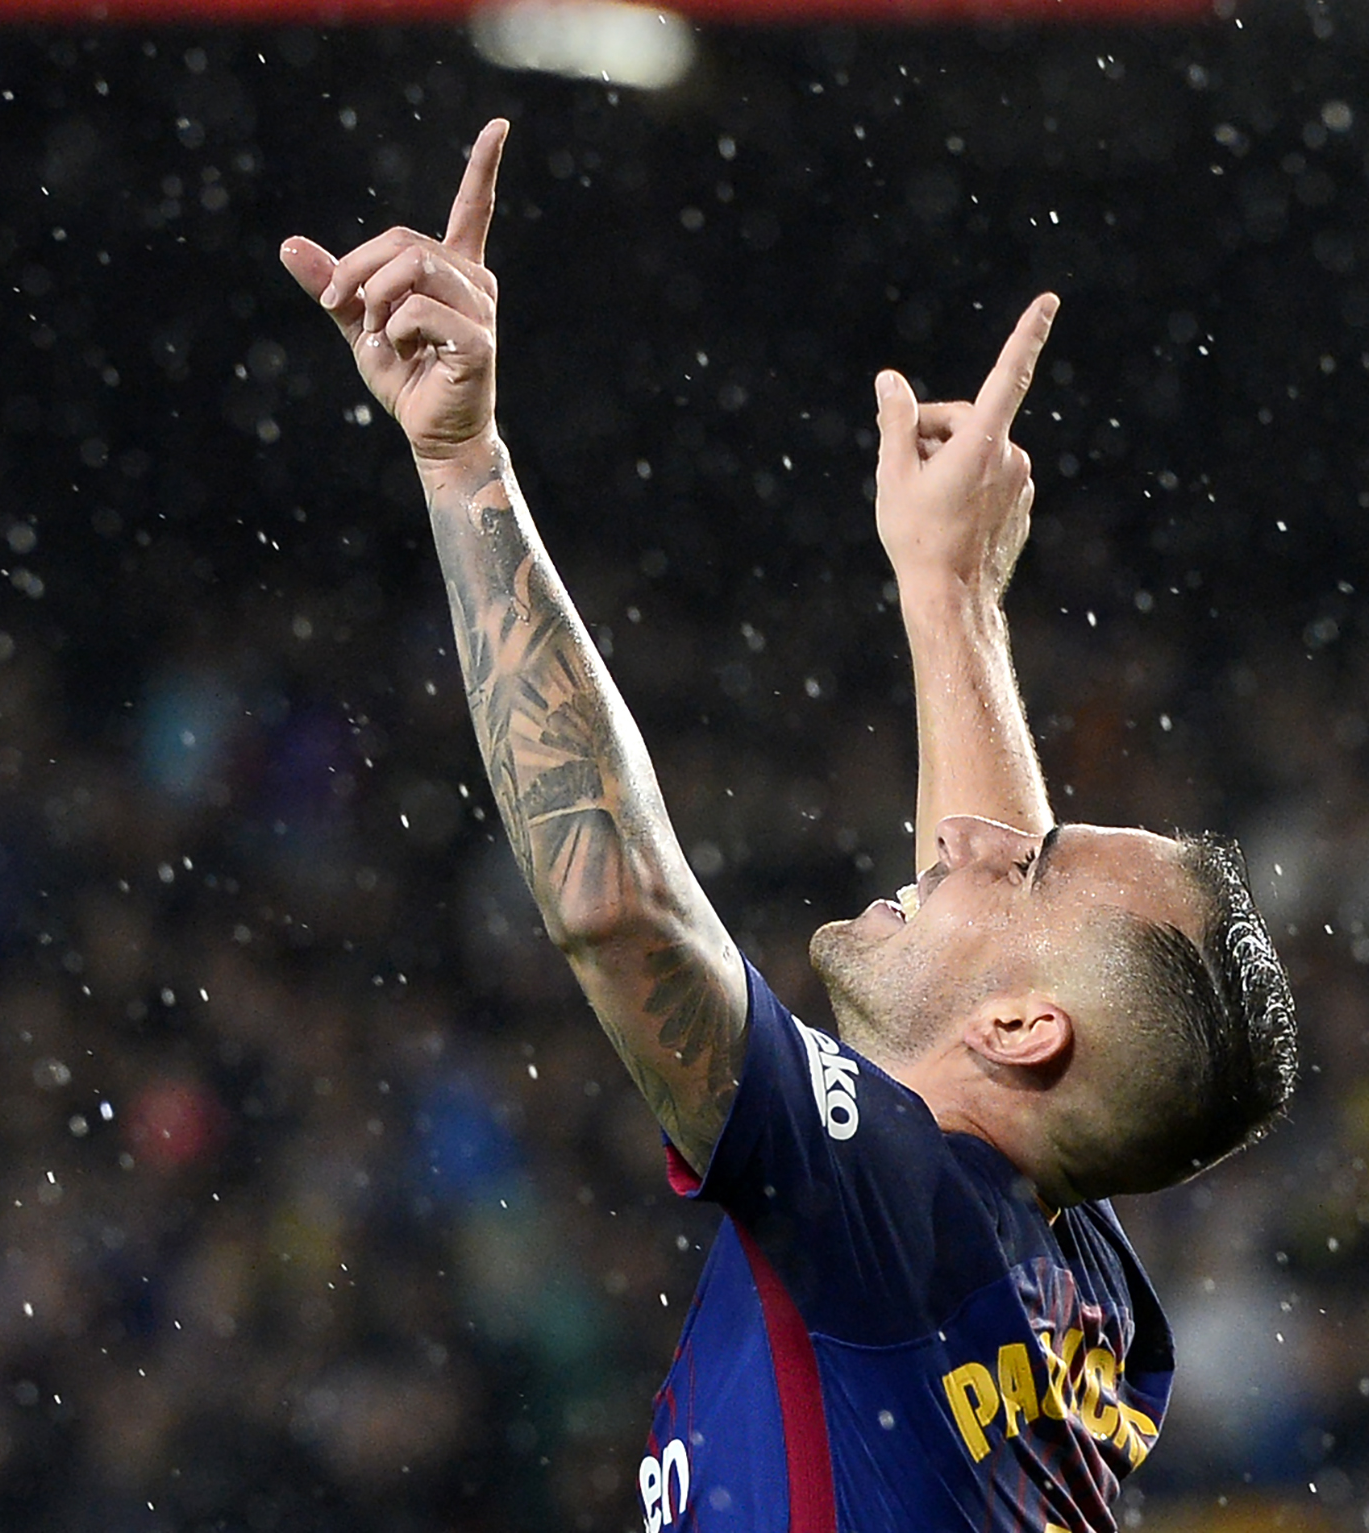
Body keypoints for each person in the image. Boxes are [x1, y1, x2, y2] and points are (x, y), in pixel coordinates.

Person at [281, 120, 1298, 1533]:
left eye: (1032, 861)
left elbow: (615, 907)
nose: (979, 834)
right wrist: (950, 595)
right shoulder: (1084, 1298)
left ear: (1021, 1032)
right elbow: (1007, 956)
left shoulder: (894, 1203)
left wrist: (463, 463)